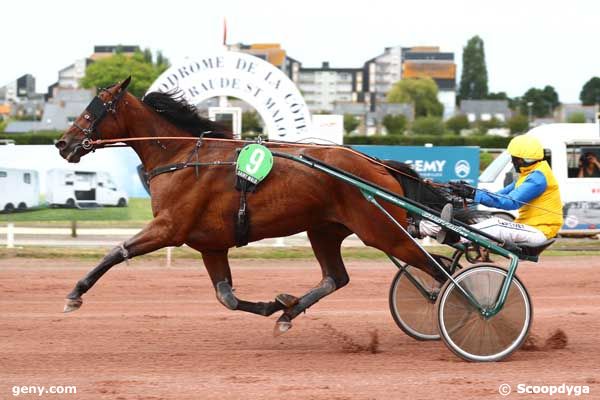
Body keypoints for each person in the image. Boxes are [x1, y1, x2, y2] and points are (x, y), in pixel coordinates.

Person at [419, 135, 563, 245]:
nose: (512, 161)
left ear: (520, 160)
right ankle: (429, 227)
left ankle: (450, 234)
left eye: (513, 158)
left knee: (495, 224)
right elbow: (498, 195)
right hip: (530, 228)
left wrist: (474, 194)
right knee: (485, 222)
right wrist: (469, 190)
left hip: (540, 231)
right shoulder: (529, 175)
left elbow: (510, 202)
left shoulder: (538, 179)